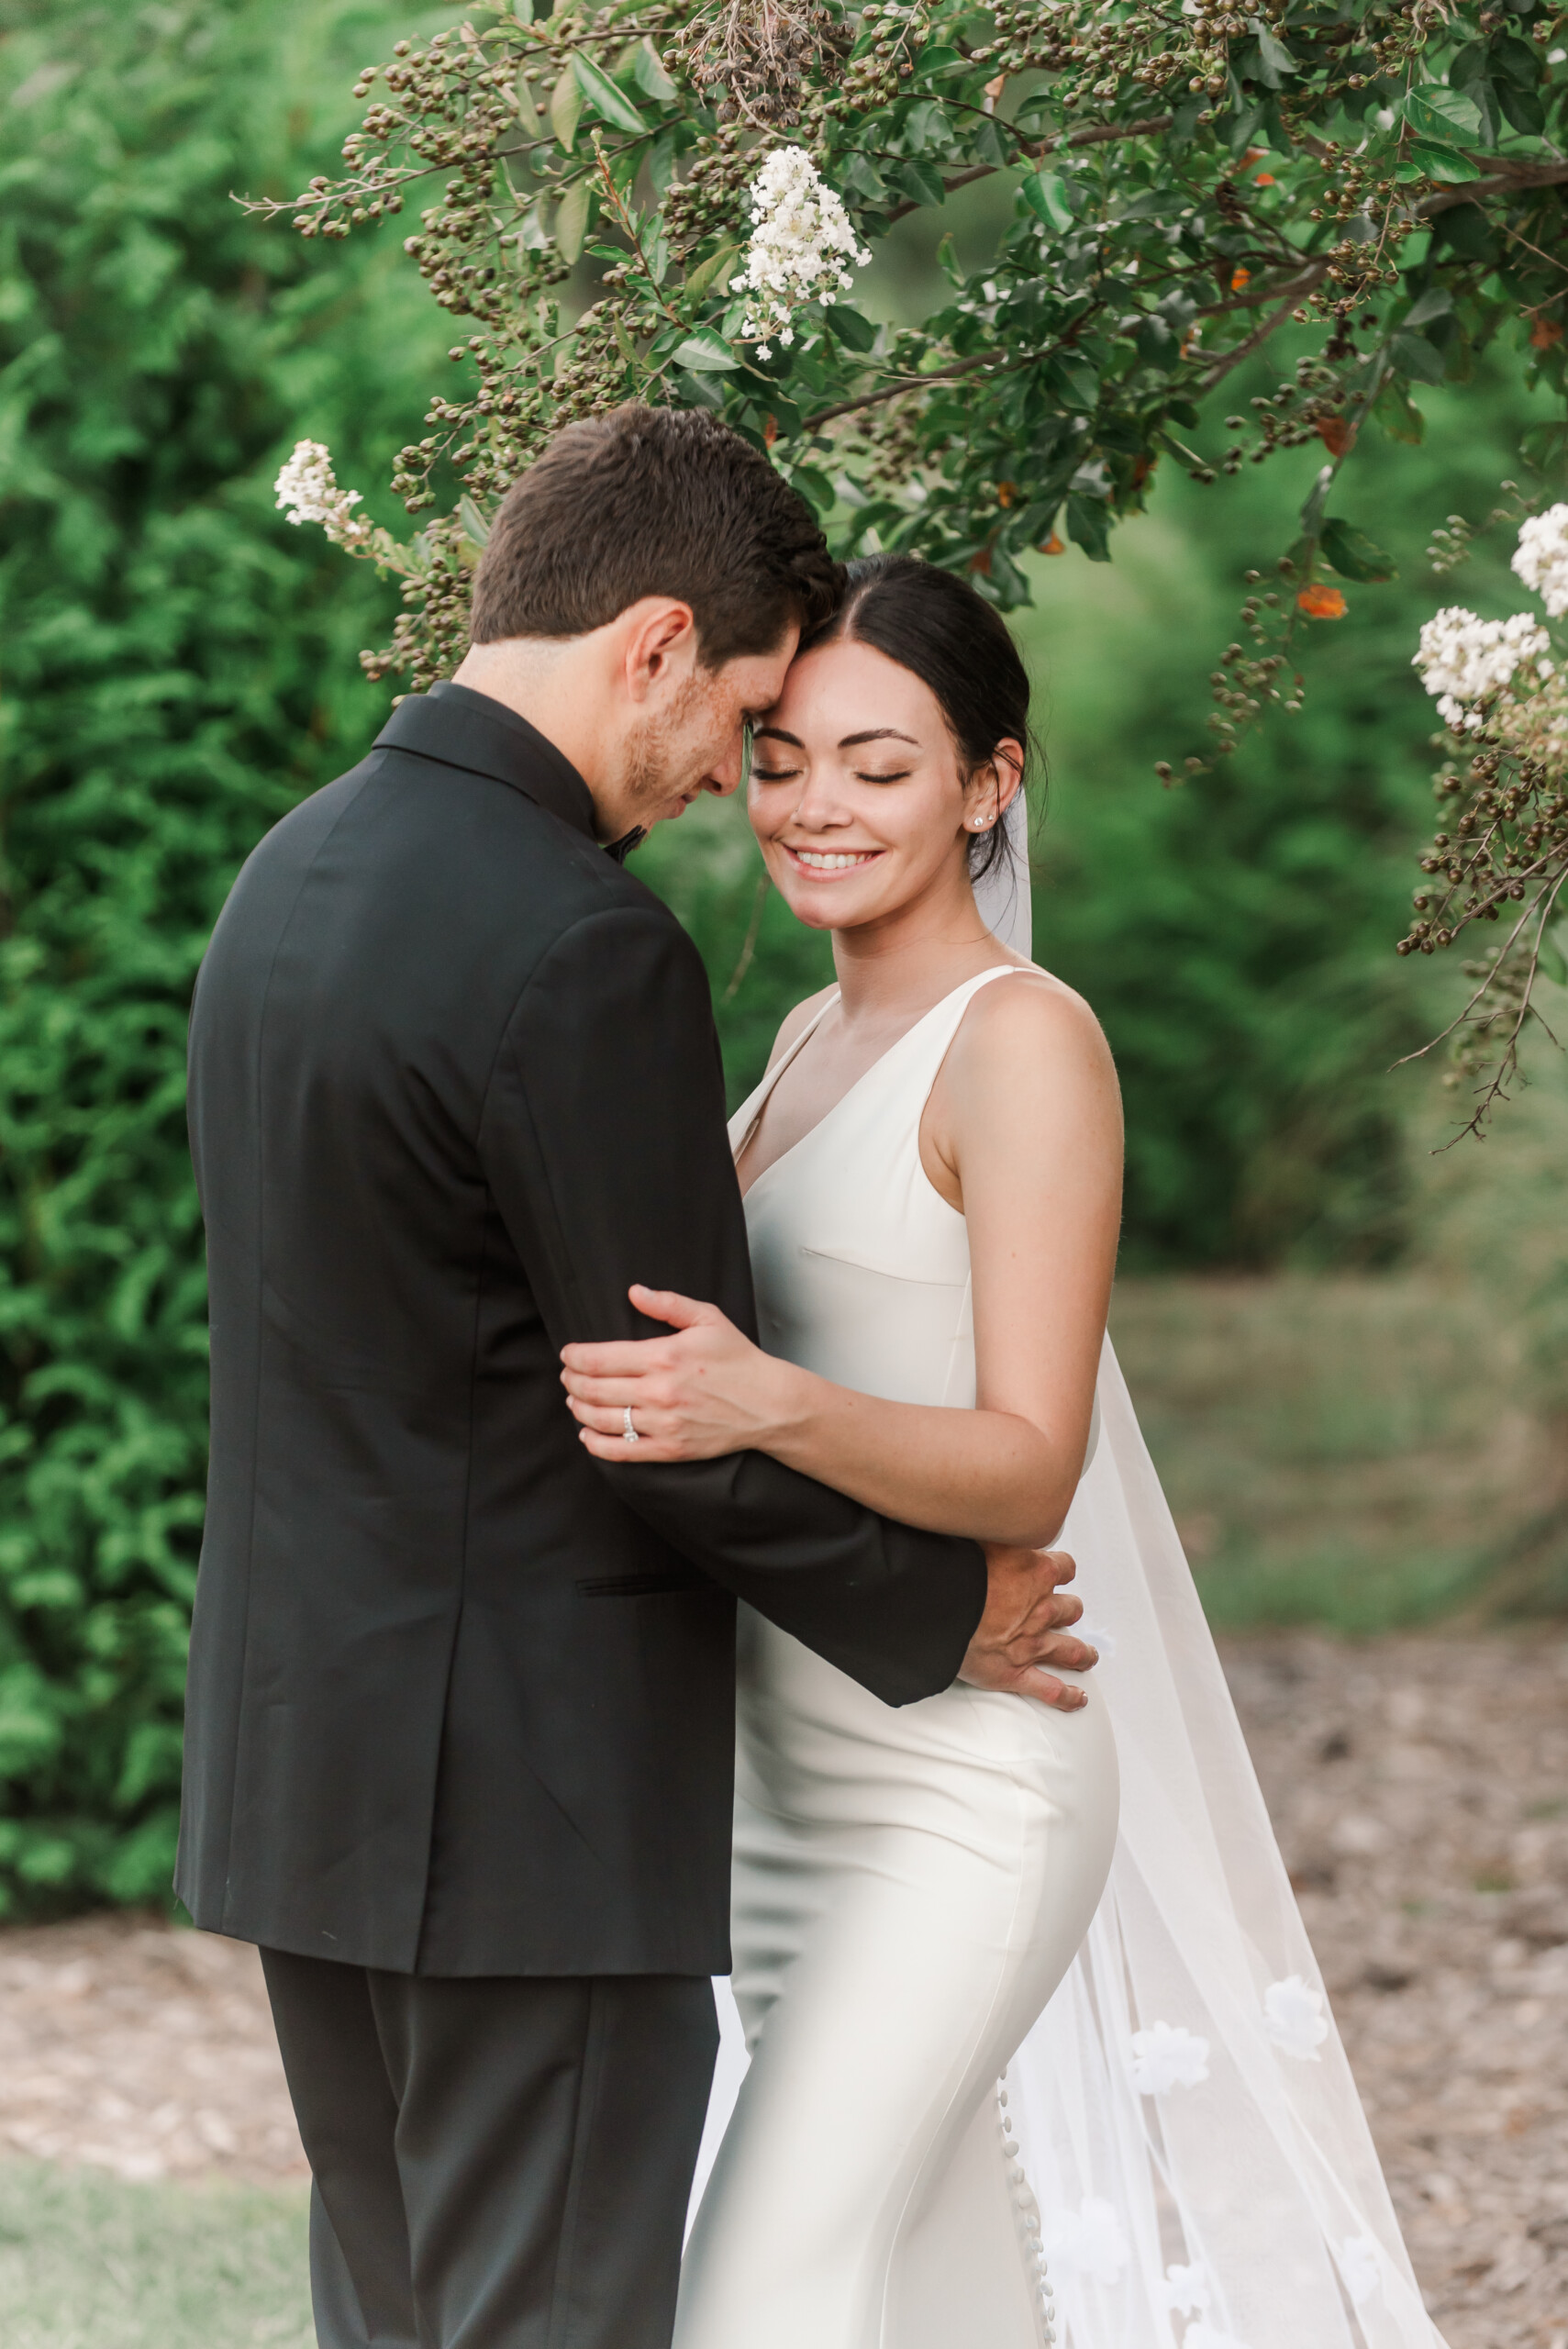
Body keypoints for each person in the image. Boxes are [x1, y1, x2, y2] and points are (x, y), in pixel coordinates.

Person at [177, 409, 1093, 2349]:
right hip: (528, 1811)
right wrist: (943, 1609)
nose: (729, 778)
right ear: (658, 642)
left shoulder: (287, 878)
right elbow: (658, 1406)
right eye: (749, 715)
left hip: (304, 1773)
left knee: (402, 2317)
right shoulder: (582, 943)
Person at [559, 554, 1449, 2349]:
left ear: (989, 782)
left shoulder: (1024, 1044)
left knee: (758, 2300)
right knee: (929, 2291)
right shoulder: (807, 1034)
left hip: (959, 1790)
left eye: (882, 766)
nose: (817, 806)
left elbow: (1027, 1463)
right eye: (788, 756)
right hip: (787, 1797)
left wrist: (762, 1401)